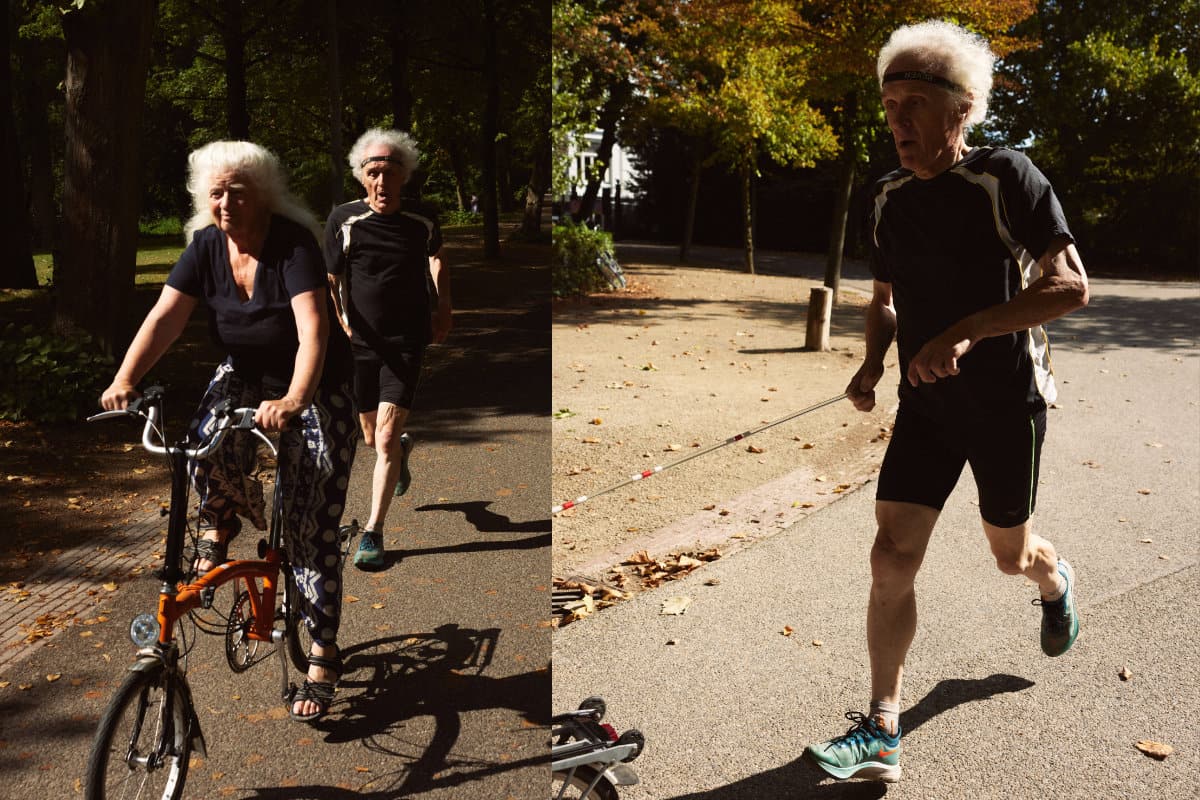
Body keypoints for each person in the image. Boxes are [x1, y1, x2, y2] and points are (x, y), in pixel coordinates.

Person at [803, 20, 1089, 783]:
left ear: (962, 110)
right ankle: (882, 729)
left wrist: (964, 334)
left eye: (917, 102)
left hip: (1005, 405)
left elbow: (1069, 285)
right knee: (890, 557)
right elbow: (887, 301)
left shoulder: (1006, 177)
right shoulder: (886, 196)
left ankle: (1055, 582)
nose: (898, 120)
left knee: (1010, 556)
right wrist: (869, 364)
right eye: (890, 102)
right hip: (925, 406)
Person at [99, 141, 358, 723]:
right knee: (196, 449)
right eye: (215, 192)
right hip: (243, 373)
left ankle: (322, 653)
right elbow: (165, 315)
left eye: (237, 192)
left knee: (312, 524)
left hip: (314, 382)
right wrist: (126, 379)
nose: (224, 202)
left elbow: (314, 329)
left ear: (263, 198)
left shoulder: (292, 245)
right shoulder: (205, 246)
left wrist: (294, 397)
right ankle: (222, 523)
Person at [325, 128, 452, 570]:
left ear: (405, 177)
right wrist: (339, 317)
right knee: (369, 435)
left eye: (390, 173)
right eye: (373, 172)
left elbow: (437, 257)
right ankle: (401, 448)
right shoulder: (343, 219)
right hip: (360, 341)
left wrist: (444, 308)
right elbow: (332, 276)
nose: (382, 182)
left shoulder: (423, 219)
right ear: (362, 177)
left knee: (381, 439)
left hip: (406, 340)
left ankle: (373, 532)